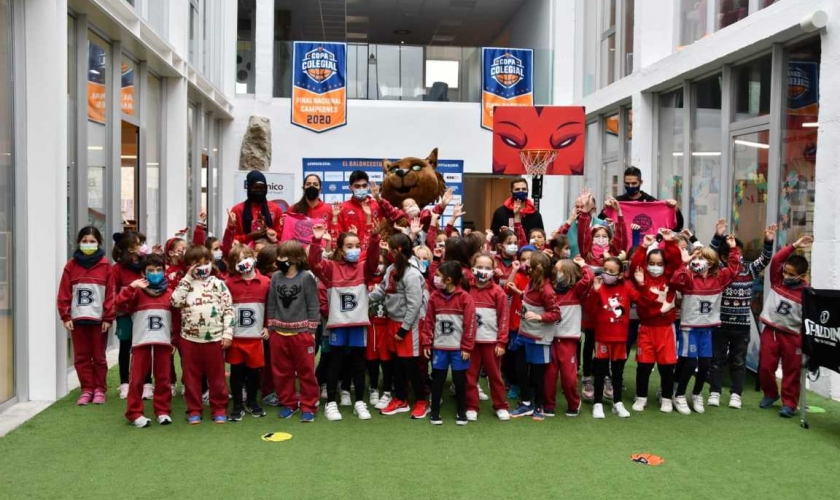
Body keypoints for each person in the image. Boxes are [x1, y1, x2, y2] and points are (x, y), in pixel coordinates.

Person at [309, 223, 381, 421]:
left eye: (357, 245)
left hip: (358, 324)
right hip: (338, 325)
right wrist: (316, 241)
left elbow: (374, 261)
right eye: (349, 246)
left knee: (359, 363)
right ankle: (331, 402)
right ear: (340, 249)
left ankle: (359, 401)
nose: (354, 250)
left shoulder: (363, 269)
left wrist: (374, 239)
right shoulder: (331, 269)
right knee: (335, 362)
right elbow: (314, 264)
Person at [708, 220, 776, 409]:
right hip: (719, 324)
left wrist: (768, 241)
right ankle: (714, 392)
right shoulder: (719, 271)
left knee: (739, 361)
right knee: (717, 360)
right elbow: (708, 256)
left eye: (738, 252)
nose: (738, 257)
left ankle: (736, 394)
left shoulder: (749, 269)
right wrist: (718, 236)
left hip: (742, 325)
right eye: (732, 252)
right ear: (723, 257)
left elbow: (764, 259)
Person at [669, 235, 741, 415]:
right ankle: (679, 395)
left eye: (703, 259)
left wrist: (733, 249)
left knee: (705, 365)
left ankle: (697, 393)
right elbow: (675, 281)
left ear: (712, 263)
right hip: (690, 328)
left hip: (707, 329)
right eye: (697, 257)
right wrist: (683, 263)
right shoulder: (688, 277)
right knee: (689, 362)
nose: (698, 261)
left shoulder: (719, 278)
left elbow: (735, 269)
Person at [170, 245, 235, 425]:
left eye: (206, 262)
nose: (203, 266)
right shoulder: (185, 284)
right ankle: (194, 410)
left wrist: (228, 333)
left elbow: (229, 309)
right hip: (189, 339)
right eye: (197, 264)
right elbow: (175, 302)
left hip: (215, 338)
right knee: (191, 377)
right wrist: (187, 278)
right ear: (189, 265)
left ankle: (219, 408)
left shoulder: (218, 283)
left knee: (217, 377)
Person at [369, 233, 429, 419]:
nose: (387, 253)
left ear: (397, 251)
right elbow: (382, 290)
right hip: (392, 321)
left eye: (390, 250)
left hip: (408, 325)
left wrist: (404, 329)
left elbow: (414, 304)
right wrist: (363, 301)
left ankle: (421, 400)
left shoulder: (412, 274)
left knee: (410, 364)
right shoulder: (391, 269)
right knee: (396, 363)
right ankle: (401, 398)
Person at [57, 226, 115, 406]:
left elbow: (111, 294)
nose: (88, 244)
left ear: (99, 243)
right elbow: (64, 293)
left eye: (92, 241)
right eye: (85, 241)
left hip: (98, 320)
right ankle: (86, 389)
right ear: (78, 242)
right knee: (81, 357)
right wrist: (65, 316)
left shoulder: (106, 266)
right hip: (78, 319)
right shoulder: (71, 266)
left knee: (98, 357)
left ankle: (99, 389)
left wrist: (108, 317)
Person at [115, 253, 173, 427]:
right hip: (141, 340)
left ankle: (162, 411)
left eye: (158, 270)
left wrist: (175, 339)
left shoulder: (170, 293)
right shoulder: (137, 292)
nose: (155, 273)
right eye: (150, 270)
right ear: (143, 273)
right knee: (137, 378)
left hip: (163, 340)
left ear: (164, 271)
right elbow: (118, 304)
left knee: (163, 377)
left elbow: (177, 317)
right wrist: (131, 287)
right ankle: (134, 413)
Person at [266, 240, 321, 423]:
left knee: (306, 371)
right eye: (279, 256)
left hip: (302, 333)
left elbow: (313, 304)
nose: (279, 260)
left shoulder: (306, 277)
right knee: (281, 372)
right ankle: (289, 403)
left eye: (283, 256)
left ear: (295, 259)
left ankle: (309, 405)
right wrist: (272, 327)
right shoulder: (275, 277)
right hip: (278, 334)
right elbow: (272, 303)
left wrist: (311, 330)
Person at [758, 234, 813, 418]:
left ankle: (789, 403)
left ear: (802, 276)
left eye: (791, 274)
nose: (786, 276)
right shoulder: (777, 280)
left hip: (792, 336)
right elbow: (776, 260)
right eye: (785, 272)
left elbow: (808, 319)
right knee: (765, 366)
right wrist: (795, 245)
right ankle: (771, 393)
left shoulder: (806, 294)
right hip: (771, 331)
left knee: (792, 370)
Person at [629, 230, 682, 413]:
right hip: (646, 328)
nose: (655, 267)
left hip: (666, 328)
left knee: (667, 367)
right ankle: (641, 396)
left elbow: (676, 262)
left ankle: (667, 399)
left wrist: (669, 242)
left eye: (659, 264)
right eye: (651, 263)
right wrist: (643, 247)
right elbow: (635, 264)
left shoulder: (669, 277)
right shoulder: (641, 277)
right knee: (644, 365)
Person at [586, 257, 642, 419]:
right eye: (605, 269)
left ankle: (617, 402)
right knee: (600, 371)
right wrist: (595, 291)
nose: (606, 274)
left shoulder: (626, 287)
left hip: (620, 339)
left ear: (619, 274)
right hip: (602, 338)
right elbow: (590, 310)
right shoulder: (598, 287)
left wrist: (641, 283)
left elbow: (642, 300)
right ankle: (598, 403)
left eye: (611, 271)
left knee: (617, 373)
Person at [423, 262, 477, 426]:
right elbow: (428, 322)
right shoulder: (434, 297)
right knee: (438, 379)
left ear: (448, 279)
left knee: (459, 380)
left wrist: (467, 347)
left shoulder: (465, 298)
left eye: (438, 275)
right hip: (439, 348)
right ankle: (434, 412)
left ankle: (461, 412)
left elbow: (470, 325)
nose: (435, 278)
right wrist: (427, 343)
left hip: (458, 349)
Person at [510, 252, 561, 421]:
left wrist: (540, 317)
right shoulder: (531, 282)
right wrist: (517, 292)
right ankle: (525, 402)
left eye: (528, 264)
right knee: (520, 370)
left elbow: (555, 313)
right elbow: (528, 300)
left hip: (539, 339)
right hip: (523, 334)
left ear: (535, 269)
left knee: (537, 375)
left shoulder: (547, 290)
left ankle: (539, 404)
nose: (524, 266)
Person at [224, 245, 270, 421]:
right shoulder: (228, 283)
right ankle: (237, 404)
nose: (244, 262)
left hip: (255, 337)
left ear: (254, 257)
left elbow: (270, 308)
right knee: (236, 372)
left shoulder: (265, 282)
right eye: (238, 260)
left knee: (254, 372)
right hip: (236, 337)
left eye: (247, 257)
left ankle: (252, 401)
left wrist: (267, 326)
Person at [544, 256, 592, 417]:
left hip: (568, 340)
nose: (556, 274)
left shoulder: (576, 291)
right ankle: (548, 405)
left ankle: (574, 403)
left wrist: (583, 265)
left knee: (568, 377)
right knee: (549, 376)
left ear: (569, 273)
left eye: (560, 271)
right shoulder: (549, 289)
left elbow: (589, 279)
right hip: (550, 339)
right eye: (555, 271)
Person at [465, 254, 510, 421]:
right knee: (470, 375)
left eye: (487, 268)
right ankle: (471, 406)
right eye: (480, 267)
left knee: (495, 376)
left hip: (491, 342)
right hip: (471, 343)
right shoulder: (466, 289)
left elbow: (504, 318)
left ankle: (500, 405)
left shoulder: (498, 292)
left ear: (493, 271)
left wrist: (502, 341)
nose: (483, 271)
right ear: (472, 269)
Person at [111, 231, 146, 400]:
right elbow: (113, 296)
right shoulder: (117, 269)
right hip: (125, 314)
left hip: (144, 313)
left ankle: (147, 383)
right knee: (125, 347)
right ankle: (124, 383)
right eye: (139, 244)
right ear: (130, 249)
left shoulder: (144, 265)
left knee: (145, 348)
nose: (141, 247)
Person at [597, 166, 683, 231]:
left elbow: (677, 227)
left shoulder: (651, 202)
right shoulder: (617, 202)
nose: (630, 186)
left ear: (641, 182)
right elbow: (599, 225)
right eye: (627, 183)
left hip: (647, 249)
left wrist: (675, 209)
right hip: (623, 250)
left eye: (634, 183)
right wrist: (606, 209)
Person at [225, 170, 284, 251]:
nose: (259, 191)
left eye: (262, 187)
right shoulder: (237, 210)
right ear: (249, 188)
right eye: (255, 187)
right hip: (244, 255)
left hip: (269, 255)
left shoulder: (276, 209)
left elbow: (281, 238)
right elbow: (231, 241)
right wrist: (249, 236)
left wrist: (268, 231)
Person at [334, 171, 382, 252]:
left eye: (364, 185)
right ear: (350, 188)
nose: (361, 189)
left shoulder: (377, 205)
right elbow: (339, 235)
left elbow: (383, 231)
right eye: (357, 186)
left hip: (374, 252)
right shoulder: (342, 208)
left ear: (368, 186)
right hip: (350, 253)